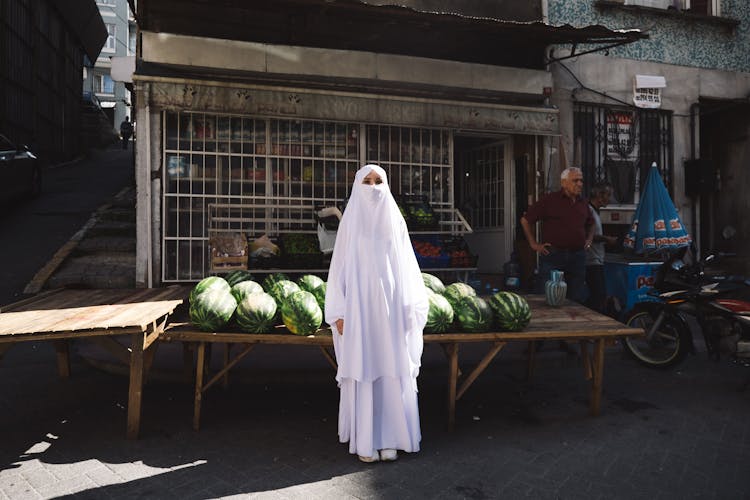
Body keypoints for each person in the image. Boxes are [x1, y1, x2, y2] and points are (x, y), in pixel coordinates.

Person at [325, 164, 429, 463]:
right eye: (367, 182)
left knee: (391, 368)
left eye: (378, 181)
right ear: (357, 186)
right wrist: (339, 311)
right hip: (359, 311)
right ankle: (368, 439)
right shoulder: (349, 225)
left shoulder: (395, 223)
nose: (373, 188)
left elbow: (408, 267)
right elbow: (338, 271)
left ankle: (393, 437)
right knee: (365, 367)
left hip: (392, 310)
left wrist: (412, 306)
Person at [520, 167, 594, 303]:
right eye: (575, 180)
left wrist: (589, 239)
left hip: (577, 256)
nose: (579, 184)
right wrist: (533, 244)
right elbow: (525, 220)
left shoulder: (583, 202)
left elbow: (591, 223)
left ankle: (573, 322)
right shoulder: (550, 200)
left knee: (576, 297)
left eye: (581, 181)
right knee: (547, 295)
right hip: (553, 255)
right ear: (564, 183)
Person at [586, 182, 618, 313]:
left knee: (599, 296)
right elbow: (588, 235)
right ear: (599, 195)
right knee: (598, 297)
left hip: (596, 259)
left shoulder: (595, 211)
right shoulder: (589, 211)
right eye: (608, 195)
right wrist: (606, 239)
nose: (610, 199)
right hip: (591, 260)